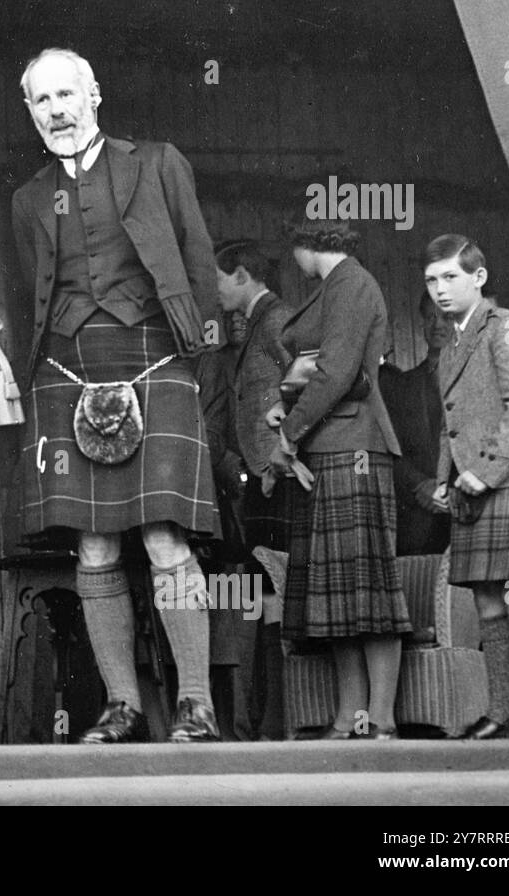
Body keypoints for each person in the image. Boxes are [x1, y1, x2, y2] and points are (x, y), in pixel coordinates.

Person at [11, 47, 223, 744]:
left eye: (67, 95)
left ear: (94, 94)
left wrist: (202, 365)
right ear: (32, 113)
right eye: (43, 101)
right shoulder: (29, 198)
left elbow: (197, 261)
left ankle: (196, 705)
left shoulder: (158, 162)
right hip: (66, 366)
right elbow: (33, 297)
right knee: (94, 547)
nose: (57, 110)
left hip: (156, 355)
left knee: (165, 537)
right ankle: (122, 706)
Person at [268, 219, 410, 739]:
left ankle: (384, 719)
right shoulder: (339, 286)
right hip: (330, 445)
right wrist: (287, 413)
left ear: (306, 247)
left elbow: (337, 372)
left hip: (354, 446)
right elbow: (322, 374)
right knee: (338, 596)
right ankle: (352, 716)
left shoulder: (351, 284)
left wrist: (291, 432)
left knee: (366, 589)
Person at [424, 235, 509, 740]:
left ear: (478, 278)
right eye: (432, 280)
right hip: (473, 485)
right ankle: (501, 711)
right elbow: (450, 425)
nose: (440, 289)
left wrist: (484, 470)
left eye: (451, 277)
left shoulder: (506, 329)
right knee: (486, 602)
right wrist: (443, 479)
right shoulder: (453, 342)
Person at [214, 240, 295, 740]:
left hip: (279, 477)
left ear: (242, 275)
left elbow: (311, 380)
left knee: (276, 598)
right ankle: (269, 722)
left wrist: (282, 446)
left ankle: (279, 721)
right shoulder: (257, 325)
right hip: (261, 480)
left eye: (219, 279)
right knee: (265, 599)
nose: (215, 290)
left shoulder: (279, 319)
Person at [378, 293, 454, 557]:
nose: (438, 325)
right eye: (430, 317)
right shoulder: (402, 385)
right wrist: (420, 485)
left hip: (467, 513)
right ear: (422, 324)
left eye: (447, 317)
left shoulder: (478, 382)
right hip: (418, 520)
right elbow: (389, 451)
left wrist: (453, 494)